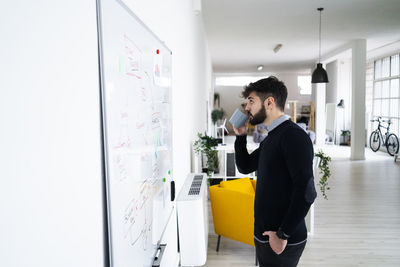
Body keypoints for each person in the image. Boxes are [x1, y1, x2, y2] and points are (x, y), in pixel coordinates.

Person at [232, 76, 317, 267]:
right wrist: (240, 137)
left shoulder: (293, 136)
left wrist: (282, 234)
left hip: (282, 239)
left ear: (269, 102)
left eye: (251, 101)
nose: (247, 108)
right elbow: (245, 166)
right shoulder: (273, 136)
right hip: (267, 235)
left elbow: (307, 192)